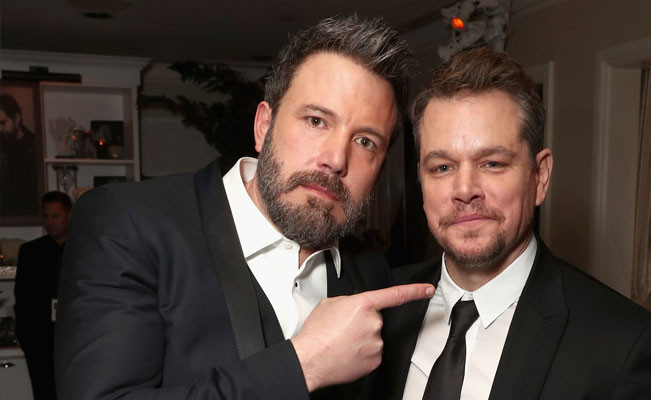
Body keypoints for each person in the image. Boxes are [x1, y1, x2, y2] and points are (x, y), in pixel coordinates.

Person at [55, 15, 434, 400]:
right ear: (263, 126)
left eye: (366, 141)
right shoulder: (129, 224)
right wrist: (304, 365)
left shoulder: (371, 274)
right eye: (316, 120)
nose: (337, 159)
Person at [375, 47, 651, 399]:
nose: (464, 190)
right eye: (442, 167)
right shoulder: (381, 309)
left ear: (540, 177)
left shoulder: (628, 349)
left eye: (493, 163)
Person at [15, 191, 72, 400]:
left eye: (55, 216)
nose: (49, 222)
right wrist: (28, 339)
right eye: (46, 216)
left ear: (69, 215)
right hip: (40, 343)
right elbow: (22, 301)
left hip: (75, 340)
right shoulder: (31, 252)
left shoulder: (83, 249)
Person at [0, 93, 40, 217]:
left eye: (2, 123)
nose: (0, 129)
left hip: (28, 214)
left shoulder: (34, 146)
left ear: (16, 118)